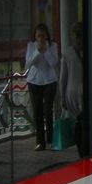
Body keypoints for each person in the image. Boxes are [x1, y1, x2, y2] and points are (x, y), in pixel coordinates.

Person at [25, 23, 59, 151]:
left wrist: (45, 52)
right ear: (35, 37)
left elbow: (54, 62)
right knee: (37, 112)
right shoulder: (31, 46)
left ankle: (50, 138)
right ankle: (40, 142)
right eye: (38, 36)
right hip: (34, 80)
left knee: (48, 110)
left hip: (49, 80)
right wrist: (37, 52)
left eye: (43, 36)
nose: (41, 39)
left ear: (47, 36)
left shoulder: (53, 46)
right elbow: (28, 64)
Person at [59, 21, 86, 157]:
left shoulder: (68, 52)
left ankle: (81, 150)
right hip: (86, 93)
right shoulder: (91, 49)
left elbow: (63, 79)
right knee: (84, 122)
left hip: (71, 94)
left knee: (78, 122)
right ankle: (85, 148)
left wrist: (62, 98)